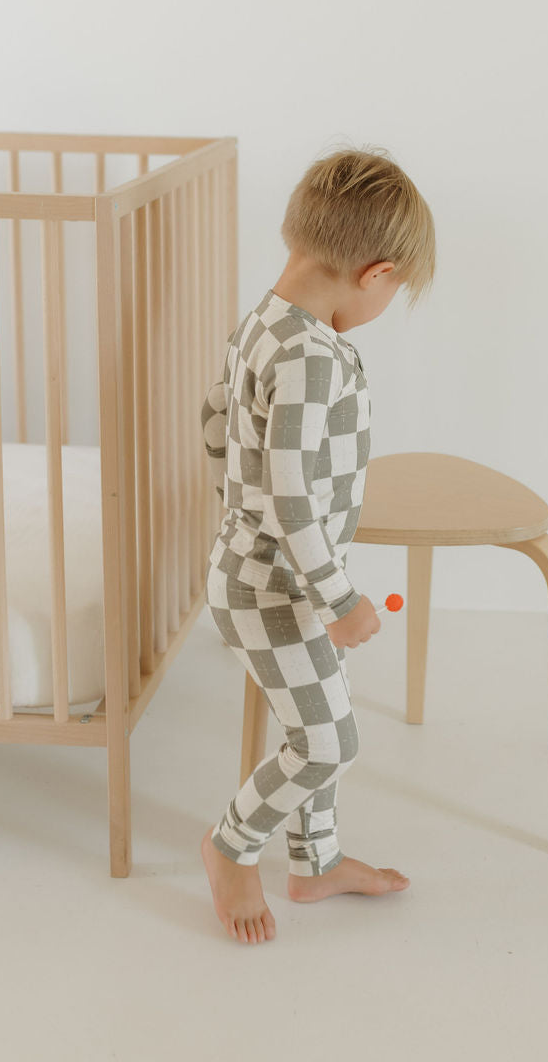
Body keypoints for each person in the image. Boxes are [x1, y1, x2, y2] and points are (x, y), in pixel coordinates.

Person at [198, 144, 436, 944]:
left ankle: (316, 861)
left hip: (272, 573)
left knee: (321, 725)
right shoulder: (307, 355)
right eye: (396, 289)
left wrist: (235, 515)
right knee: (329, 739)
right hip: (278, 589)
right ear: (375, 274)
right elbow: (293, 492)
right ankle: (232, 846)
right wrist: (339, 598)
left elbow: (212, 424)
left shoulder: (260, 323)